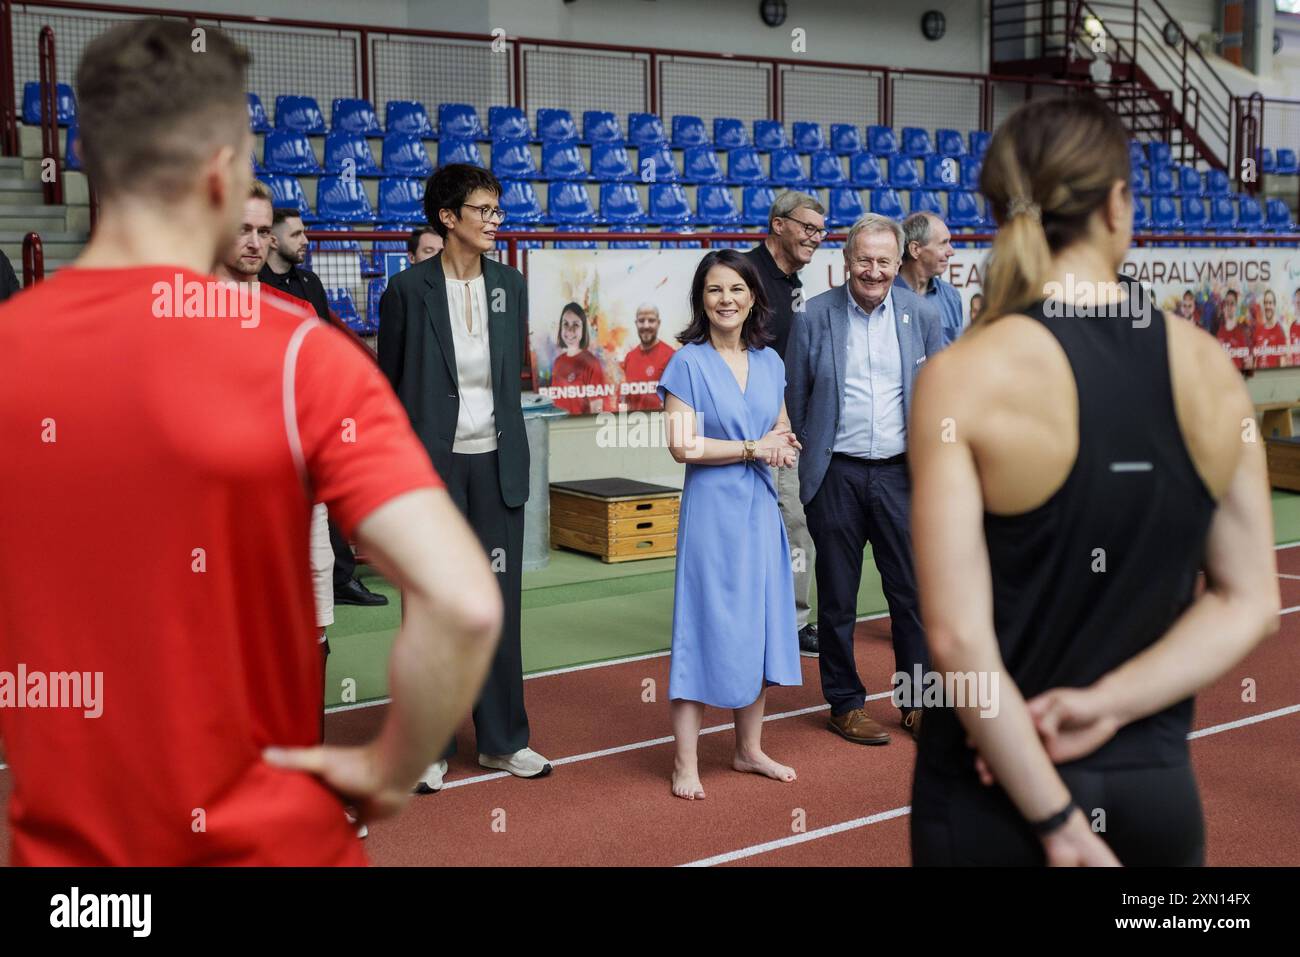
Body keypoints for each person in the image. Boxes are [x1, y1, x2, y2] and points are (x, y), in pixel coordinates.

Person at [0, 21, 503, 866]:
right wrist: (388, 764)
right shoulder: (302, 354)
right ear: (227, 167)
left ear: (83, 152)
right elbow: (464, 600)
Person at [908, 95, 1278, 866]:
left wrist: (1059, 823)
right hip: (1152, 795)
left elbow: (956, 638)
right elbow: (1250, 600)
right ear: (1116, 204)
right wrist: (1106, 705)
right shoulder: (1212, 368)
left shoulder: (962, 377)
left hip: (994, 799)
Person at [378, 163, 550, 791]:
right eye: (482, 210)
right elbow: (392, 387)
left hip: (497, 467)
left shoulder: (509, 285)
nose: (494, 222)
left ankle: (503, 741)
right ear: (447, 218)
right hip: (432, 472)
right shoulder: (406, 290)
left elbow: (507, 380)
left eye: (497, 211)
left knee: (499, 608)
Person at [785, 213, 943, 744]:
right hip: (838, 476)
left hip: (902, 475)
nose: (873, 270)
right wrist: (812, 468)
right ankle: (845, 703)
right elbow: (796, 399)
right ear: (846, 261)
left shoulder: (921, 315)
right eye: (863, 260)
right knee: (837, 600)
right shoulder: (814, 317)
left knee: (911, 597)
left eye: (883, 260)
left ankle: (917, 703)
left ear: (898, 263)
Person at [659, 248, 803, 801]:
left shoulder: (771, 363)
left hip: (760, 513)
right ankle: (685, 763)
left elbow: (779, 424)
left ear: (753, 298)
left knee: (761, 627)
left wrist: (784, 445)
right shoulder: (687, 364)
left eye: (737, 290)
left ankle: (748, 750)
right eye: (716, 290)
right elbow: (682, 445)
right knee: (700, 629)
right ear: (701, 298)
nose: (727, 300)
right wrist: (752, 447)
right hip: (712, 516)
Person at [262, 207, 389, 608]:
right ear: (273, 239)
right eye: (297, 235)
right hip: (272, 410)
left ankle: (340, 578)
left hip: (315, 405)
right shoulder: (253, 286)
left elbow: (325, 341)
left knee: (331, 493)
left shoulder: (310, 282)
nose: (305, 241)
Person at [745, 191, 826, 657]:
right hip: (751, 429)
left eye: (820, 230)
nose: (815, 237)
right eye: (808, 227)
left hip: (784, 428)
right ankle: (779, 621)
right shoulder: (747, 275)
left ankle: (790, 619)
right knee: (780, 523)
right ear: (779, 225)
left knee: (793, 523)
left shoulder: (793, 282)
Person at [897, 211, 964, 346]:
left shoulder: (951, 296)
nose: (951, 252)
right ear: (915, 249)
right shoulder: (885, 296)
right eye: (943, 243)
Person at [550, 301, 608, 415]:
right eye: (565, 324)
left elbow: (596, 410)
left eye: (576, 325)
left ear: (583, 329)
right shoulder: (558, 362)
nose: (570, 330)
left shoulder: (591, 363)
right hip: (559, 429)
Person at [619, 302, 676, 412]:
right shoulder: (629, 357)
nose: (646, 326)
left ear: (658, 323)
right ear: (636, 323)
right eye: (641, 321)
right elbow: (625, 398)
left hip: (662, 424)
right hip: (635, 425)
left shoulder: (671, 356)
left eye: (651, 320)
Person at [1215, 288, 1251, 369]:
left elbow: (1247, 365)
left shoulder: (1242, 333)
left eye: (1232, 303)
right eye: (1227, 303)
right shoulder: (1219, 332)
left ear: (1236, 306)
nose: (1229, 306)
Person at [1253, 289, 1288, 369]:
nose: (1267, 306)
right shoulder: (1258, 330)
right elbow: (1254, 361)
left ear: (1274, 305)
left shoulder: (1280, 332)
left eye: (1270, 303)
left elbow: (1282, 363)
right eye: (1265, 303)